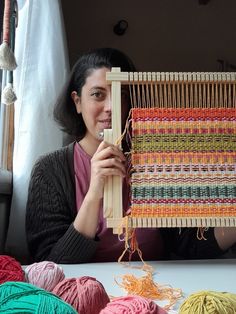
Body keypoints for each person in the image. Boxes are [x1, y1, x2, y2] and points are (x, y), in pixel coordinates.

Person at [25, 48, 236, 264]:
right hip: (83, 290)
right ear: (77, 101)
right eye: (98, 94)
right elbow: (49, 264)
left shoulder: (156, 163)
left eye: (122, 95)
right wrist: (94, 193)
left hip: (156, 285)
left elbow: (191, 245)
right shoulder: (49, 170)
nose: (111, 107)